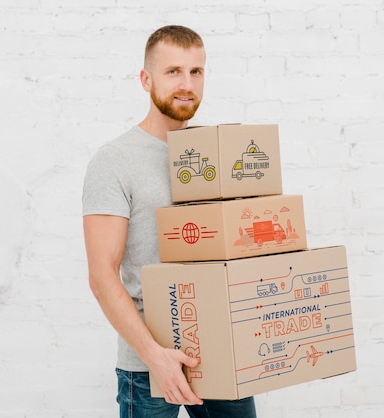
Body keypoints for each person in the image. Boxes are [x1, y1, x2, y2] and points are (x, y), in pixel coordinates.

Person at [82, 25, 257, 418]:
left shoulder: (216, 155)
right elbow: (101, 275)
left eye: (196, 72)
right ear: (146, 79)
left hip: (220, 353)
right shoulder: (115, 161)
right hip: (147, 367)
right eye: (173, 71)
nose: (186, 84)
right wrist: (155, 357)